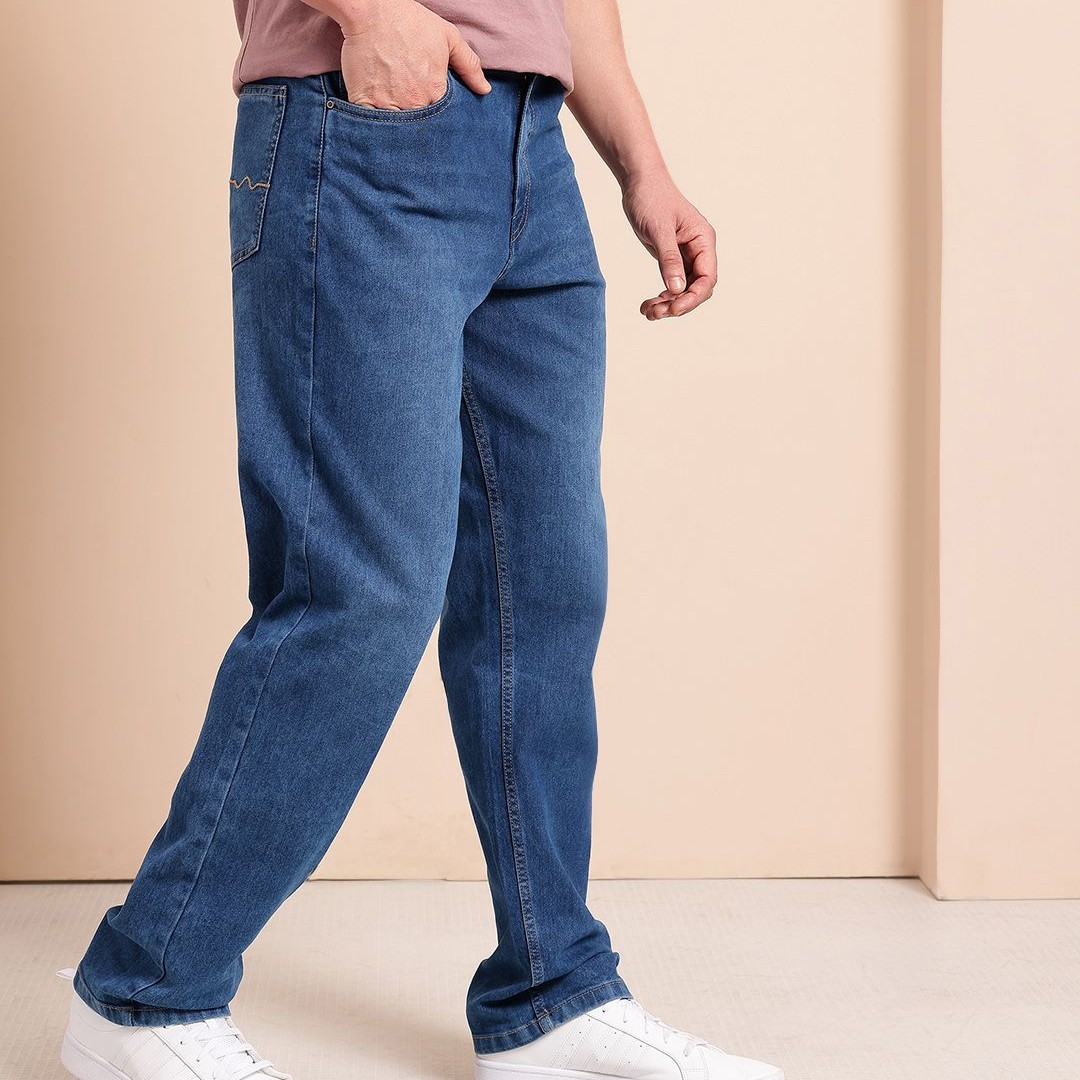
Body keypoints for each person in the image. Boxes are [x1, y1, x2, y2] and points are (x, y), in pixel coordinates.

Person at [57, 2, 783, 1079]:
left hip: (534, 150)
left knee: (546, 588)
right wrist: (375, 13)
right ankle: (143, 997)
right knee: (360, 592)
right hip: (362, 121)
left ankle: (554, 995)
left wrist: (643, 165)